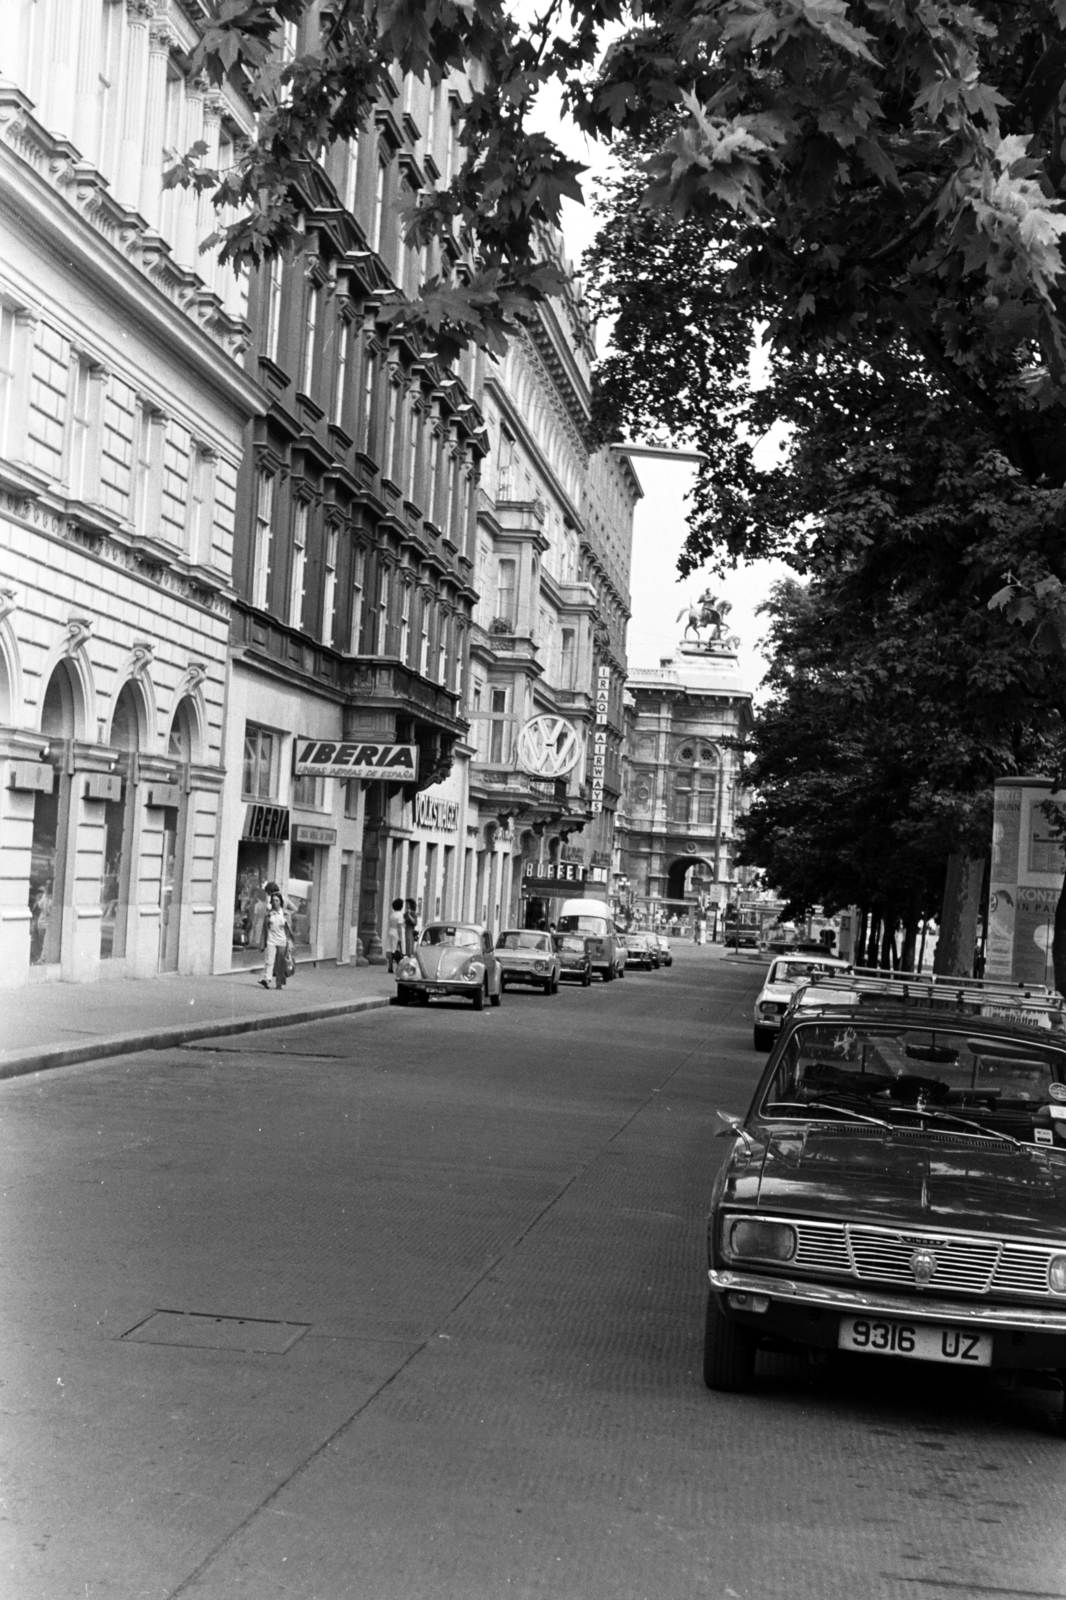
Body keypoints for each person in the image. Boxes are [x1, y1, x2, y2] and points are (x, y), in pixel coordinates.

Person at [259, 891, 294, 989]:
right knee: (269, 961)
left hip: (282, 941)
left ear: (280, 902)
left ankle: (280, 983)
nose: (275, 902)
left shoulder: (286, 915)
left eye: (277, 900)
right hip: (271, 941)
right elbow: (264, 930)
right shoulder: (269, 915)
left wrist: (290, 944)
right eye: (273, 900)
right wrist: (262, 944)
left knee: (280, 963)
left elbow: (289, 931)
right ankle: (267, 980)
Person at [387, 898, 405, 972]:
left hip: (391, 931)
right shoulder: (400, 915)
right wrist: (400, 937)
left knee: (391, 950)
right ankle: (398, 967)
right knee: (398, 950)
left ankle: (390, 966)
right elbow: (399, 926)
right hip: (397, 933)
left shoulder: (392, 914)